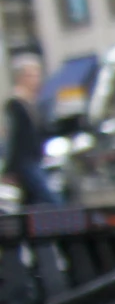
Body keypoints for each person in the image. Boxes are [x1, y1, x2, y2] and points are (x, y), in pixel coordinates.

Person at [5, 55, 57, 207]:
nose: (36, 79)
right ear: (21, 77)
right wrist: (10, 169)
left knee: (31, 202)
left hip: (36, 158)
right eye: (31, 75)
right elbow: (15, 138)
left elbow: (43, 131)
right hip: (25, 162)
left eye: (37, 75)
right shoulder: (16, 103)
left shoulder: (33, 101)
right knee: (51, 199)